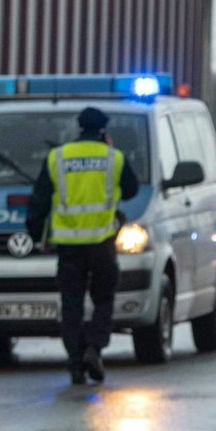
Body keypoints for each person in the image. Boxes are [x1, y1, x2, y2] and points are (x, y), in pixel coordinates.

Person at [26, 106, 141, 384]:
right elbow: (132, 190)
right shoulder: (113, 158)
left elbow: (39, 199)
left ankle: (75, 362)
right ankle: (94, 347)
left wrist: (34, 232)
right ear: (104, 130)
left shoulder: (58, 157)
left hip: (68, 245)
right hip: (102, 243)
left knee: (71, 305)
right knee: (103, 299)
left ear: (78, 128)